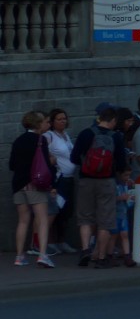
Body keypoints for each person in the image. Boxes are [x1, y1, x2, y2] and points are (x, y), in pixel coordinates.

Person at [70, 105, 128, 268]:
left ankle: (86, 250)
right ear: (113, 120)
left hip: (86, 181)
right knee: (105, 221)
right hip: (107, 182)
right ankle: (102, 257)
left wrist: (86, 165)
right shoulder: (116, 137)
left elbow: (74, 158)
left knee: (85, 218)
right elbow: (122, 163)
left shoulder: (85, 134)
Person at [10, 111, 56, 268]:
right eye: (44, 121)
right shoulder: (40, 140)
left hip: (18, 185)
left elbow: (11, 165)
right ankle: (43, 255)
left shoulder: (18, 141)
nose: (46, 124)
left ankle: (19, 256)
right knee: (42, 219)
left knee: (23, 221)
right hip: (35, 184)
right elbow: (45, 165)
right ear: (37, 124)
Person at [43, 108, 78, 254]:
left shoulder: (65, 135)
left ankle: (61, 241)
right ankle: (49, 242)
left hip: (69, 179)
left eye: (64, 118)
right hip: (59, 179)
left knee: (66, 212)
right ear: (52, 122)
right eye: (59, 119)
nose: (63, 121)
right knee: (54, 211)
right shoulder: (48, 136)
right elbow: (42, 154)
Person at [113, 167, 137, 267]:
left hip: (123, 213)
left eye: (129, 175)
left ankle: (127, 256)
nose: (128, 177)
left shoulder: (128, 184)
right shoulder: (114, 185)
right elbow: (109, 199)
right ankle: (110, 255)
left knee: (124, 234)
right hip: (114, 214)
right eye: (125, 175)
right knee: (113, 236)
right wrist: (120, 198)